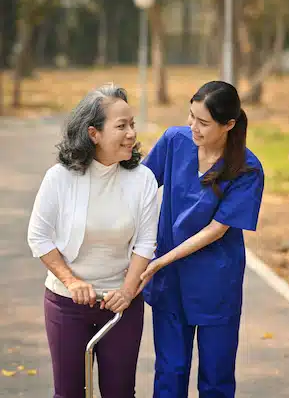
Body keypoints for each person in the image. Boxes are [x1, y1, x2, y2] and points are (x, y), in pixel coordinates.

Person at [27, 84, 158, 398]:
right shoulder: (59, 178)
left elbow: (146, 242)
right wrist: (72, 281)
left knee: (120, 392)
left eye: (132, 125)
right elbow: (39, 235)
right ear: (94, 133)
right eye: (121, 126)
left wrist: (127, 292)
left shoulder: (143, 179)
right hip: (66, 303)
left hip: (120, 305)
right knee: (69, 392)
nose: (131, 133)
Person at [139, 81, 264, 398]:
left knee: (216, 377)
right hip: (169, 281)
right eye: (191, 116)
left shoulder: (246, 169)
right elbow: (138, 188)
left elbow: (217, 230)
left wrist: (160, 259)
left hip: (215, 283)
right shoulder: (174, 141)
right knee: (170, 371)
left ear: (229, 125)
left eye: (203, 123)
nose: (193, 127)